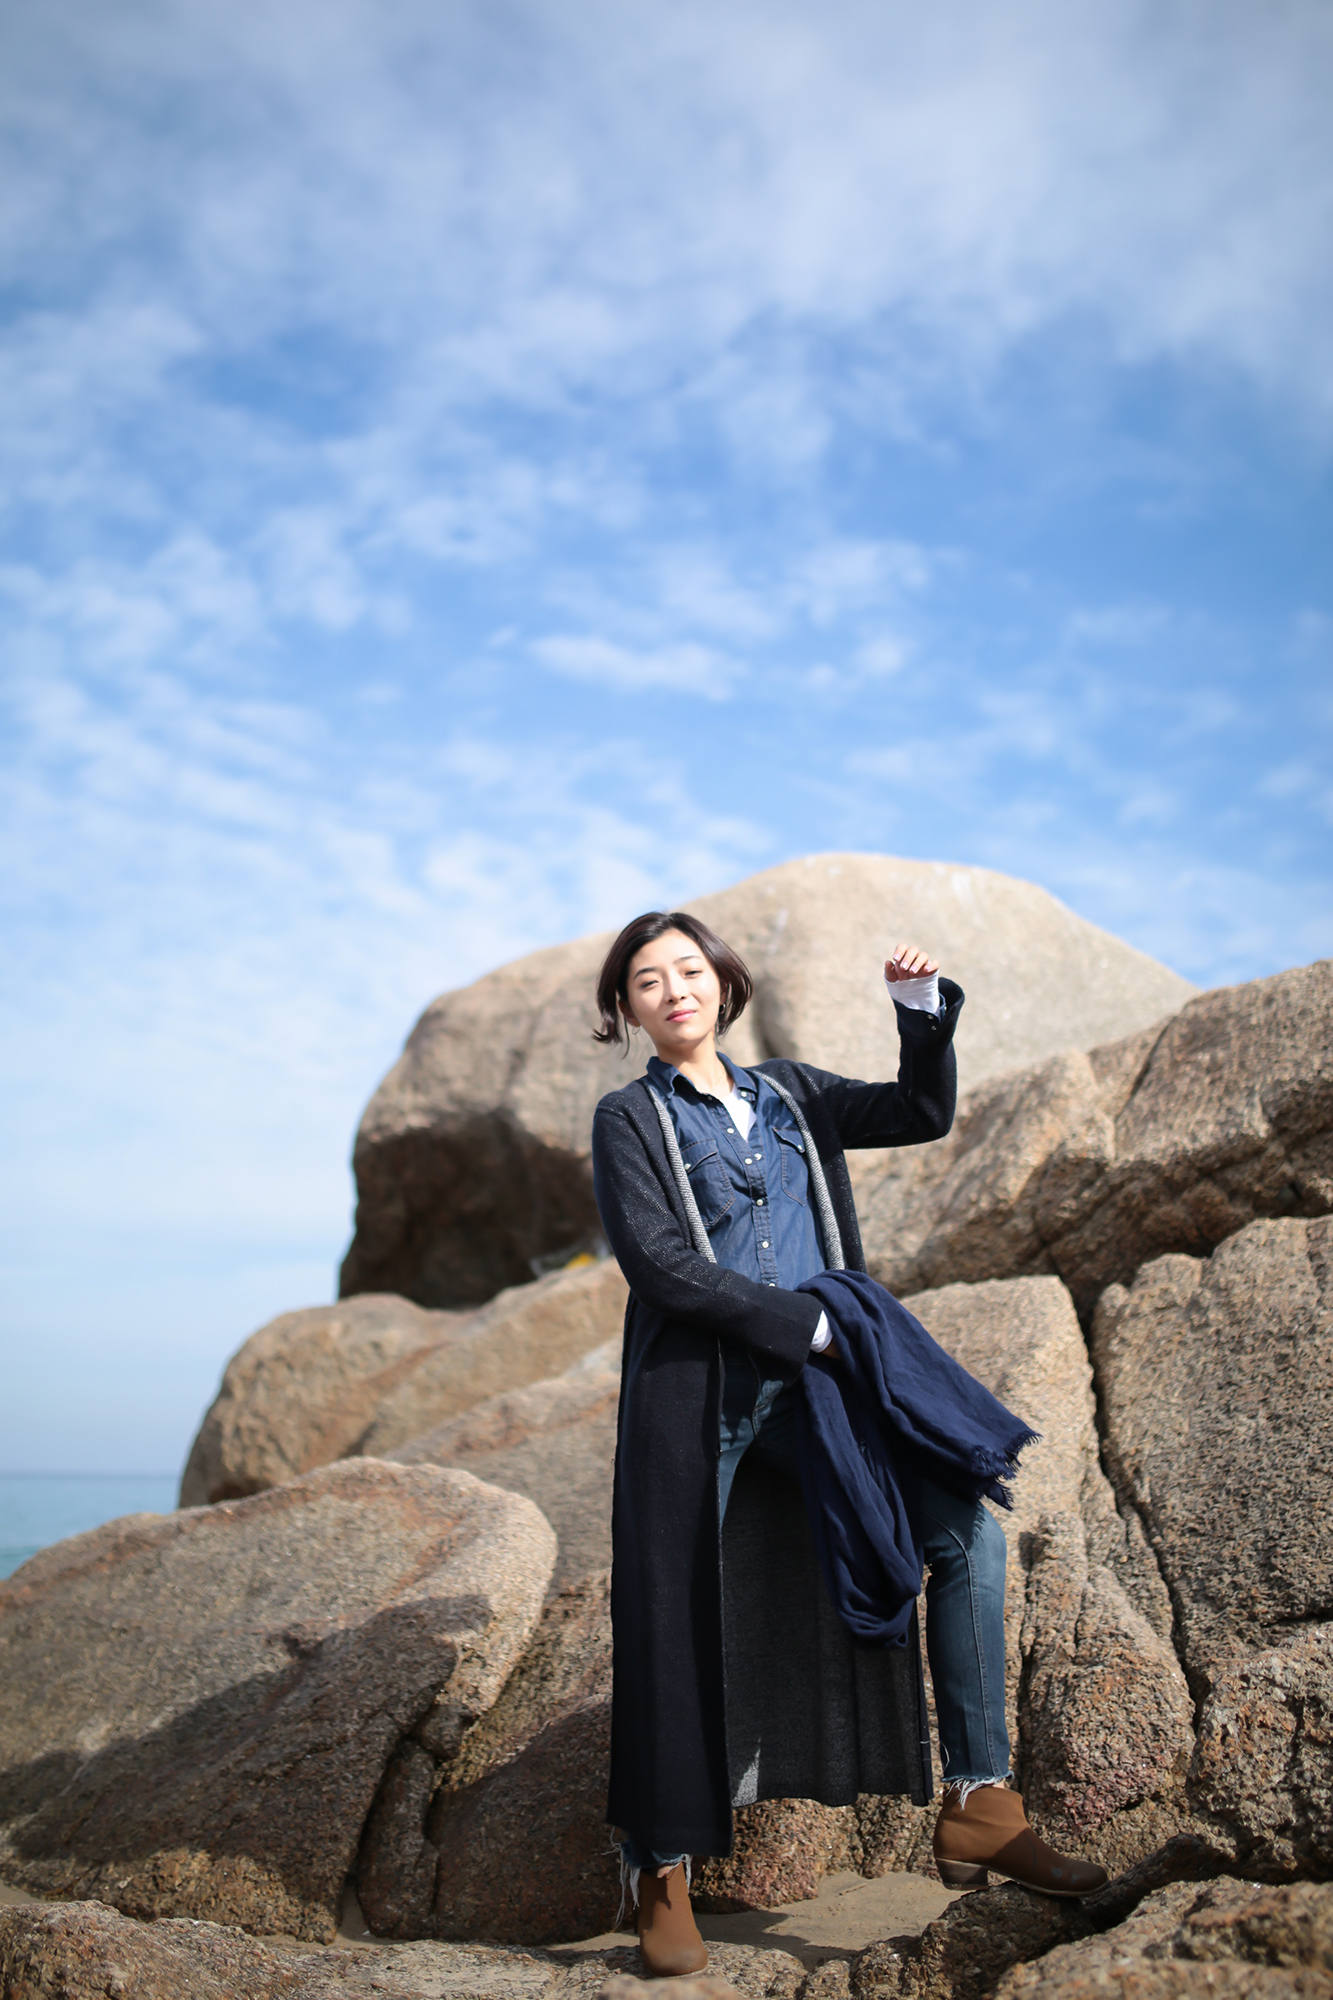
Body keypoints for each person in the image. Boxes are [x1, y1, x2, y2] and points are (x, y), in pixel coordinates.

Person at [590, 910, 1109, 1978]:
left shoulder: (792, 1093)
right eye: (647, 980)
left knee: (963, 1530)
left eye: (688, 969)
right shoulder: (628, 1117)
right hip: (693, 1397)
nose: (673, 989)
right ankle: (660, 1869)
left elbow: (920, 1110)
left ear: (722, 983)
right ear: (627, 1010)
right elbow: (658, 1265)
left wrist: (918, 1013)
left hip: (813, 1394)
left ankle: (980, 1801)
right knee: (669, 1609)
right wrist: (807, 1324)